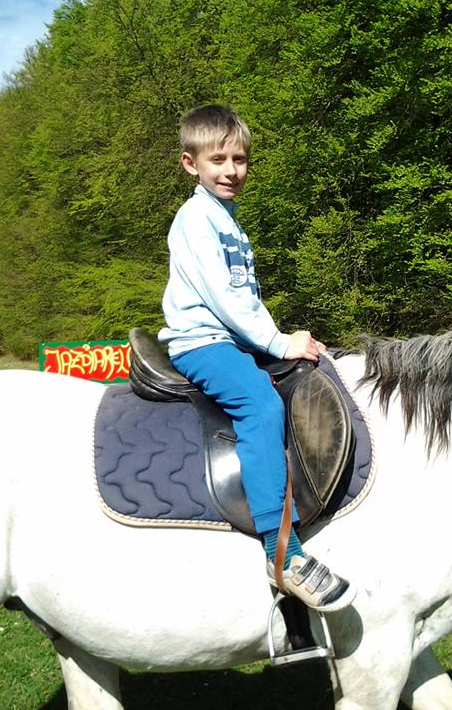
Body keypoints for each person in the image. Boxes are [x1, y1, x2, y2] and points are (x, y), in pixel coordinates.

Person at [157, 104, 354, 612]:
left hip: (230, 338)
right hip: (202, 342)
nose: (231, 170)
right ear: (190, 164)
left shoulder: (226, 219)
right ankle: (280, 551)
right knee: (260, 406)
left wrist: (277, 341)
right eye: (218, 159)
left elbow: (246, 296)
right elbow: (226, 298)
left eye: (239, 159)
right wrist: (278, 341)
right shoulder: (195, 218)